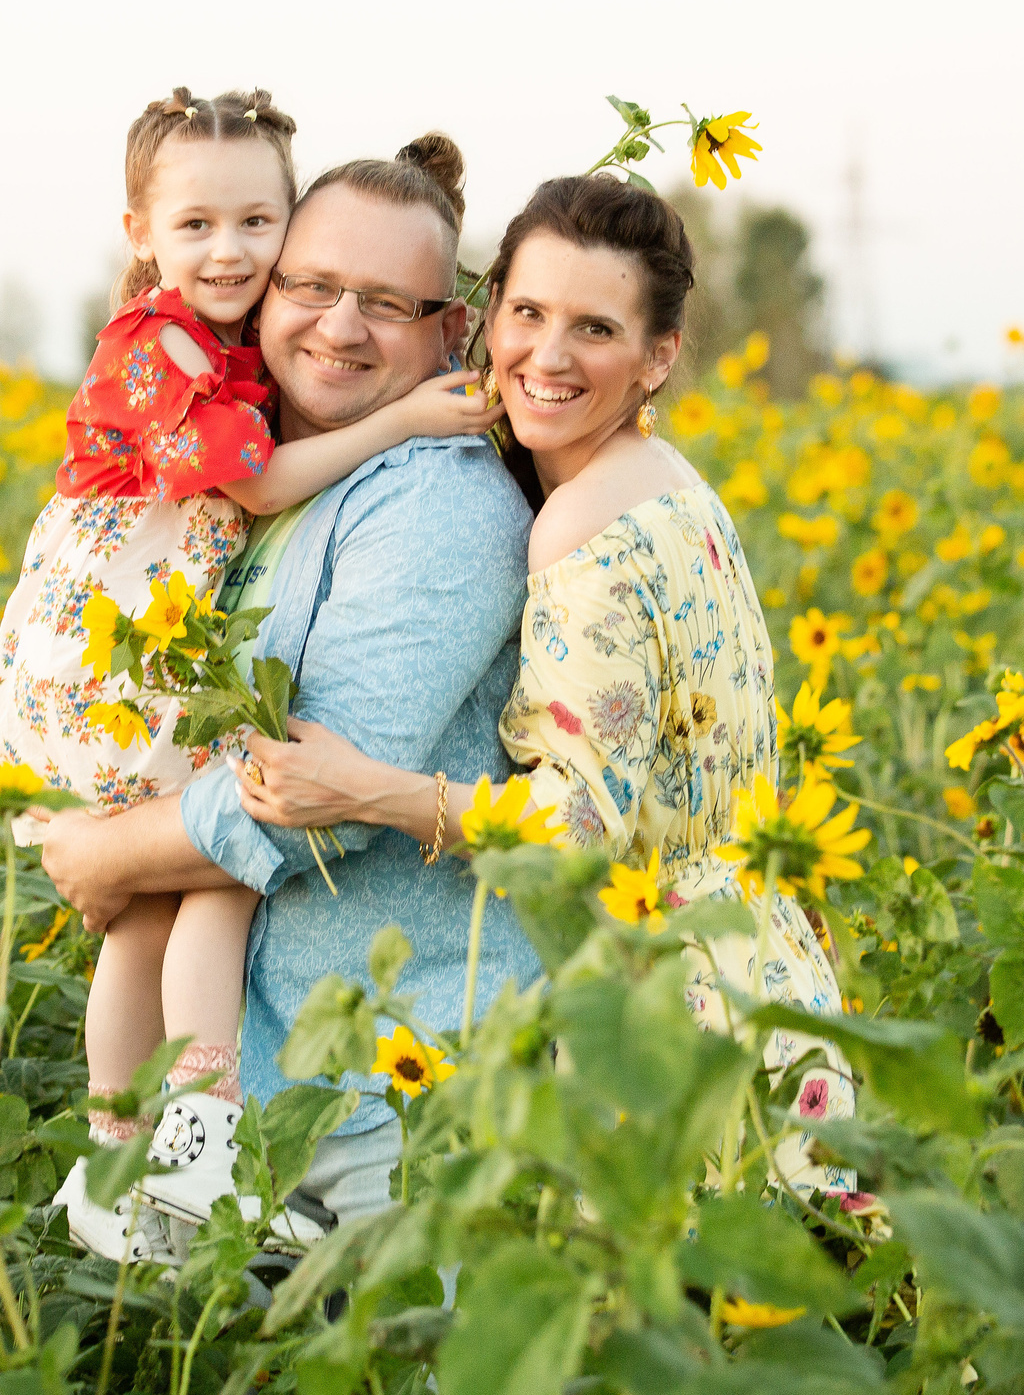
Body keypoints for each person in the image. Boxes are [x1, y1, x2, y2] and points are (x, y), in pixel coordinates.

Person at [238, 172, 860, 1195]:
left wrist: (365, 790)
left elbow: (578, 829)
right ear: (487, 317)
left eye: (595, 328)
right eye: (527, 312)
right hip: (762, 969)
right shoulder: (676, 489)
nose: (548, 354)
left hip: (664, 1012)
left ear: (658, 355)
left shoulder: (582, 529)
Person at [0, 91, 495, 1261]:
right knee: (180, 901)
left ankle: (148, 1156)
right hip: (117, 660)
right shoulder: (220, 393)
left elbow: (296, 801)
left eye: (384, 301)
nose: (333, 322)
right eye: (311, 287)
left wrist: (107, 850)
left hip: (368, 1111)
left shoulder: (430, 502)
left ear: (451, 330)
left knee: (192, 886)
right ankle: (137, 1160)